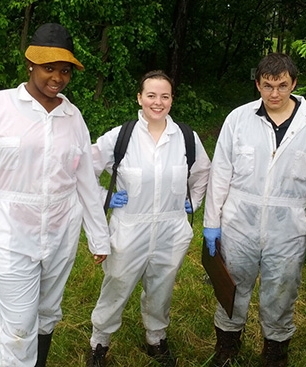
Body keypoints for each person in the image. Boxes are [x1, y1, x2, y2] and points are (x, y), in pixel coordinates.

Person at [0, 23, 111, 367]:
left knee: (47, 312)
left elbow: (84, 182)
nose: (58, 78)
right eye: (49, 68)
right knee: (18, 324)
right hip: (11, 231)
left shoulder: (72, 116)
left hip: (62, 229)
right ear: (30, 65)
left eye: (65, 71)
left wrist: (99, 237)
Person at [203, 53, 306, 367]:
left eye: (282, 85)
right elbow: (220, 173)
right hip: (238, 224)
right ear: (257, 84)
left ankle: (275, 353)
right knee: (231, 287)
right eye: (267, 86)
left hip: (287, 229)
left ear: (294, 83)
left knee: (281, 291)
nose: (274, 94)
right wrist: (212, 222)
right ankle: (227, 347)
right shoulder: (238, 119)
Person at [86, 70, 211, 367]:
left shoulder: (185, 137)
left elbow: (204, 171)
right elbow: (84, 168)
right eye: (151, 95)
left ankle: (156, 337)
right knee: (116, 284)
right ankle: (99, 342)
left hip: (171, 228)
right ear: (139, 98)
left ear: (172, 100)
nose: (158, 102)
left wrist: (193, 200)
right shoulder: (122, 136)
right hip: (129, 226)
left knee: (162, 286)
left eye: (165, 96)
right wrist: (104, 196)